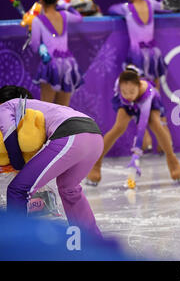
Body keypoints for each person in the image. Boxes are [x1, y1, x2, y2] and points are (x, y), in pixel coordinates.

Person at [0, 85, 103, 239]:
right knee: (69, 188)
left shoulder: (5, 106)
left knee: (18, 189)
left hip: (71, 135)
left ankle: (18, 246)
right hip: (94, 136)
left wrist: (18, 166)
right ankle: (93, 243)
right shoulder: (39, 106)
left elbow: (9, 135)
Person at [86, 66, 180, 185]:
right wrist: (126, 96)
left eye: (132, 92)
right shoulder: (121, 89)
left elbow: (142, 125)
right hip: (127, 105)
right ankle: (96, 164)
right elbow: (125, 97)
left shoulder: (146, 90)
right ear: (120, 88)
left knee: (156, 125)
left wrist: (136, 153)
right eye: (124, 92)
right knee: (118, 128)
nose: (128, 95)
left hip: (149, 102)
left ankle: (172, 159)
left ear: (138, 86)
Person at [108, 0, 172, 153]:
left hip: (137, 57)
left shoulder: (127, 9)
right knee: (156, 97)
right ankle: (165, 142)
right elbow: (167, 6)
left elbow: (111, 9)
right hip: (153, 55)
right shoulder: (152, 5)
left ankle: (145, 139)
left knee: (138, 98)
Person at [30, 0, 84, 106]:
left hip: (51, 64)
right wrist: (67, 6)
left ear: (41, 0)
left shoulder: (37, 21)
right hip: (67, 64)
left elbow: (34, 46)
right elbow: (79, 18)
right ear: (56, 0)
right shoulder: (65, 14)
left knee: (46, 106)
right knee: (63, 109)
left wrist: (42, 49)